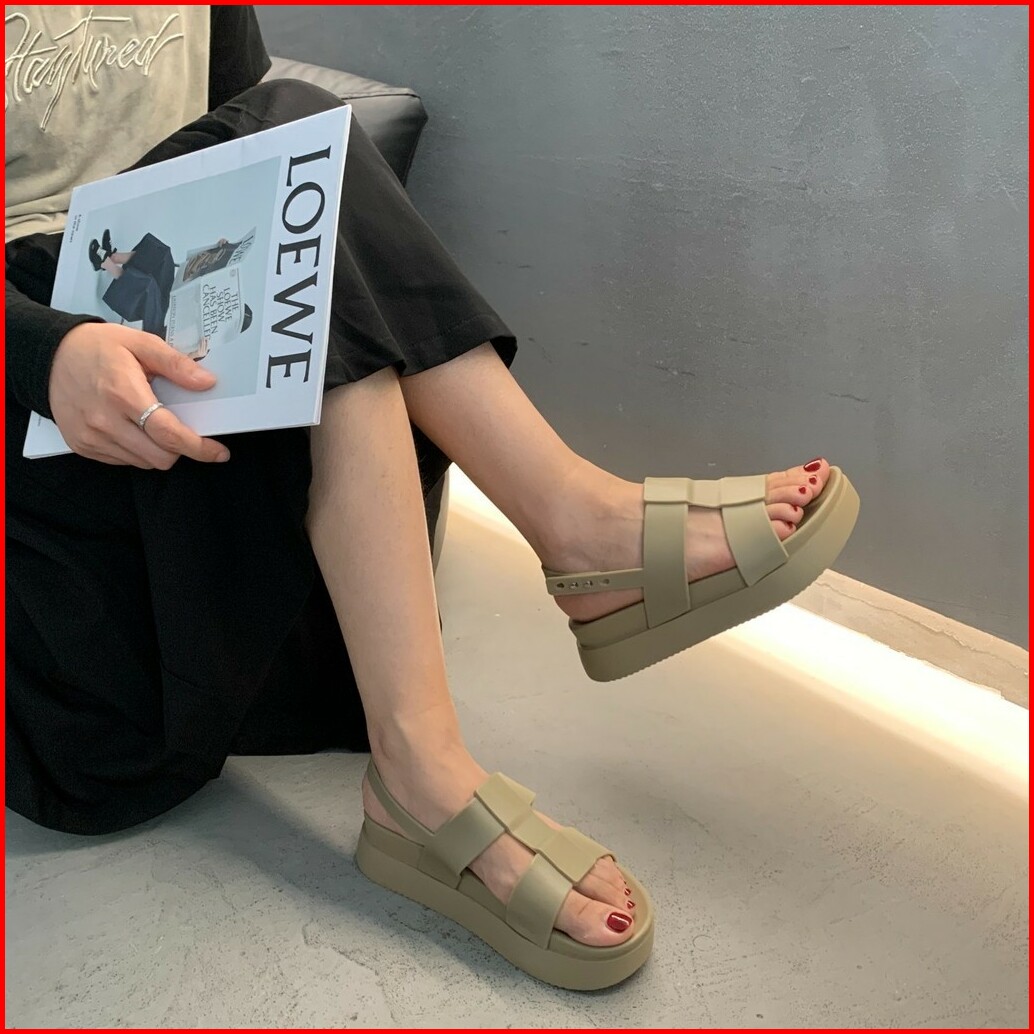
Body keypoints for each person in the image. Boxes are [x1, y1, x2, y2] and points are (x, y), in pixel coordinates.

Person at [5, 6, 857, 990]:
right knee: (294, 139)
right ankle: (569, 547)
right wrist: (40, 351)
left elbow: (234, 138)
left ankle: (449, 720)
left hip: (174, 352)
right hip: (40, 419)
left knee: (295, 140)